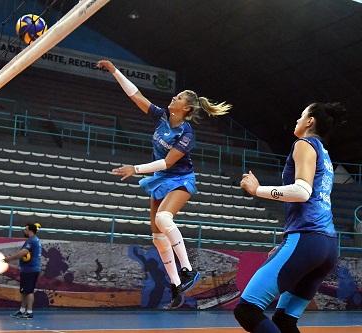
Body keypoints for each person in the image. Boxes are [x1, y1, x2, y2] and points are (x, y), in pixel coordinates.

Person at [97, 59, 231, 309]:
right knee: (157, 236)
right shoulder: (162, 118)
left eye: (178, 97)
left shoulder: (187, 134)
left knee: (164, 220)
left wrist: (134, 169)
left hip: (180, 178)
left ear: (186, 108)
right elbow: (136, 96)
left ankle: (188, 270)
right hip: (160, 179)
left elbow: (168, 163)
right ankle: (175, 285)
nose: (174, 97)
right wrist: (115, 70)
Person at [235, 102, 347, 333]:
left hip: (307, 240)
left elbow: (302, 192)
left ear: (310, 122)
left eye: (301, 116)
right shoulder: (325, 155)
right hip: (327, 246)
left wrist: (258, 190)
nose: (296, 121)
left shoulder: (304, 144)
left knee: (247, 310)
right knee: (284, 320)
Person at [5, 223, 42, 319]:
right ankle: (22, 310)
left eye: (25, 229)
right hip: (29, 269)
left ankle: (29, 312)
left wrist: (10, 258)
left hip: (30, 270)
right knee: (24, 291)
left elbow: (23, 252)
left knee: (29, 291)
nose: (24, 231)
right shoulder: (35, 240)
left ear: (30, 231)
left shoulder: (32, 240)